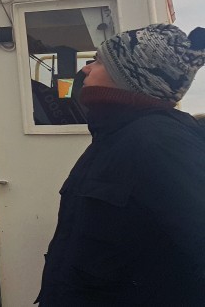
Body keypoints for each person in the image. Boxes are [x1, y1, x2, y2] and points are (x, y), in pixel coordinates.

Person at [37, 23, 205, 305]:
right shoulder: (113, 135)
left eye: (99, 60)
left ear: (131, 76)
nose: (87, 69)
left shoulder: (158, 142)